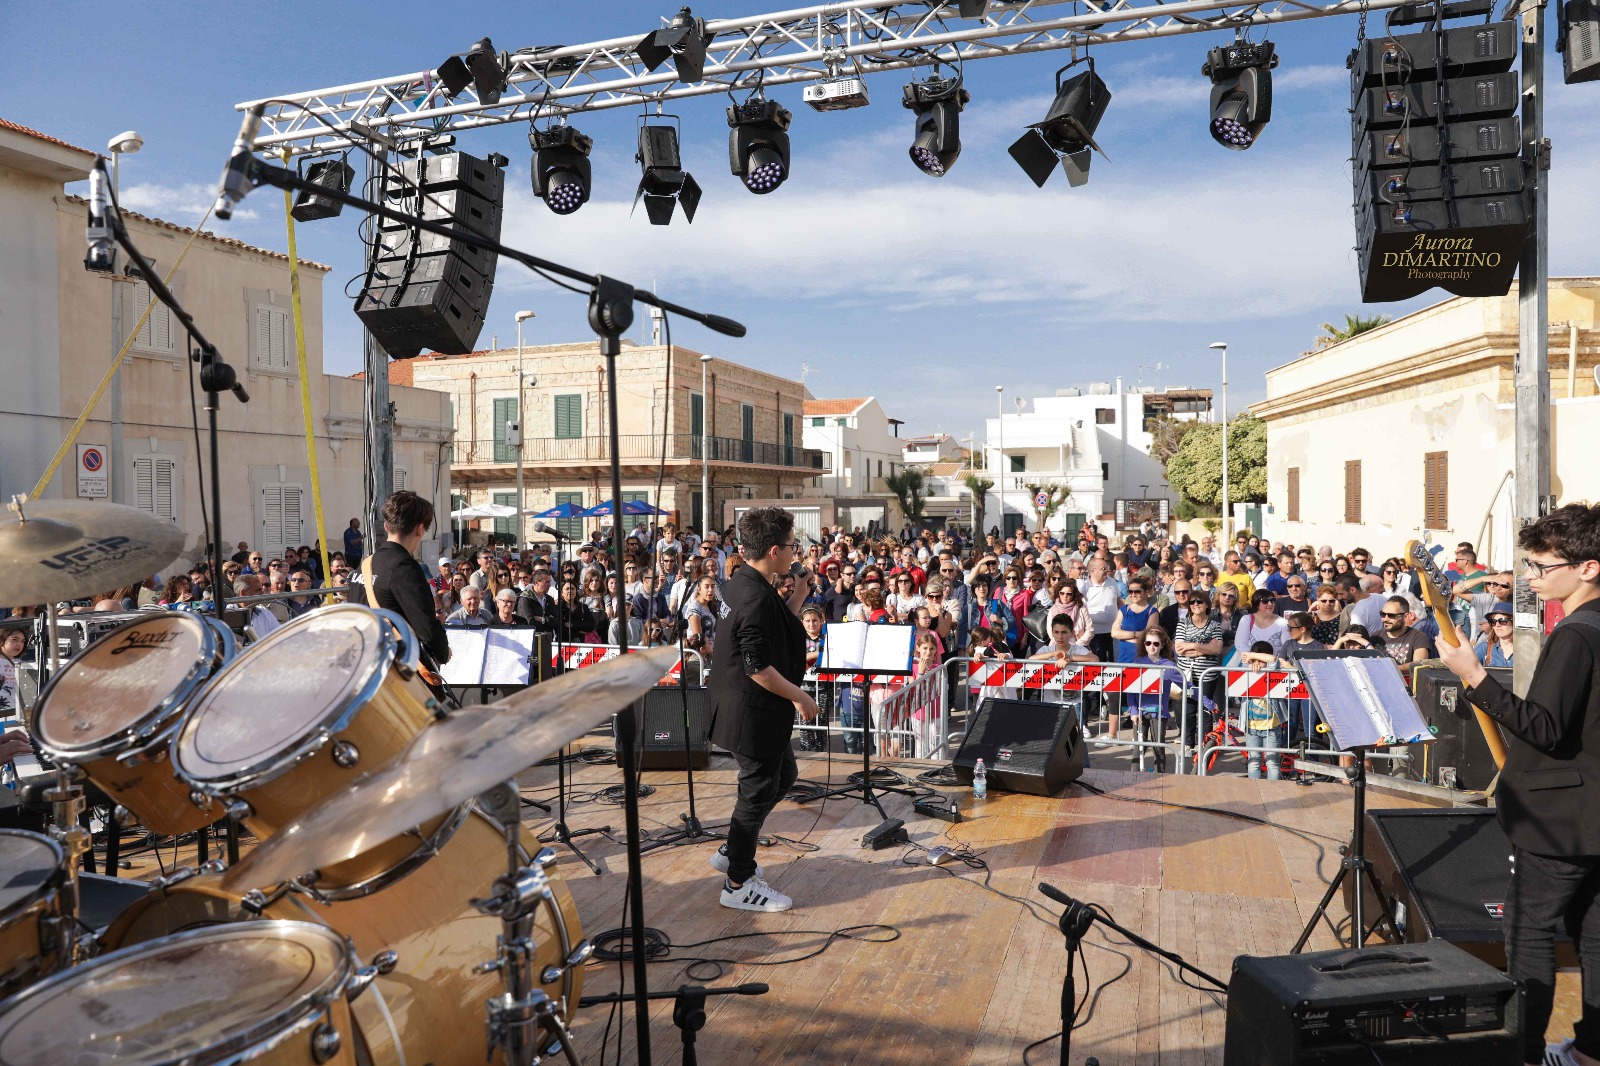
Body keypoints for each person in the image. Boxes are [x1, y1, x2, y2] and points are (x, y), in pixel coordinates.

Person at [1436, 504, 1600, 1066]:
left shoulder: (1577, 635)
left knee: (1528, 936)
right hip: (1592, 816)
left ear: (1588, 568)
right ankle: (1591, 1052)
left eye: (1539, 565)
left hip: (1561, 820)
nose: (1529, 577)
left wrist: (1474, 676)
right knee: (1595, 937)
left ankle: (1524, 1053)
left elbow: (1546, 728)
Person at [706, 507, 817, 914]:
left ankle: (734, 847)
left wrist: (799, 596)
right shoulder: (752, 594)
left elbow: (771, 628)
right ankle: (738, 881)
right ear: (774, 550)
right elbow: (757, 667)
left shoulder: (743, 582)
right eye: (791, 546)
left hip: (747, 709)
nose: (795, 553)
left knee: (783, 776)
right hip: (750, 712)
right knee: (756, 791)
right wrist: (800, 697)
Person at [367, 490, 451, 677]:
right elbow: (426, 627)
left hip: (370, 667)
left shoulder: (365, 566)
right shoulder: (405, 568)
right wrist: (444, 652)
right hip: (400, 671)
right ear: (420, 529)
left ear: (387, 526)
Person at [1237, 639, 1284, 781]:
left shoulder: (1273, 670)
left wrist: (1252, 655)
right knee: (1254, 761)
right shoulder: (1246, 671)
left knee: (1272, 762)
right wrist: (1250, 659)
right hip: (1251, 727)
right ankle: (1254, 791)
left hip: (1271, 727)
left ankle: (1273, 792)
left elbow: (1273, 659)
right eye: (1253, 661)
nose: (1256, 664)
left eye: (1260, 660)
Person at [1374, 595, 1431, 679]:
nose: (1385, 619)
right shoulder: (1375, 637)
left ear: (1405, 616)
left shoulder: (1418, 637)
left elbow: (1419, 665)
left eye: (1391, 615)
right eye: (1383, 614)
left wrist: (1389, 668)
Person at [1476, 601, 1516, 668]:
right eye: (1493, 621)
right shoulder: (1484, 649)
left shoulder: (1526, 651)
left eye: (1503, 621)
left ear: (1514, 622)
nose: (1497, 625)